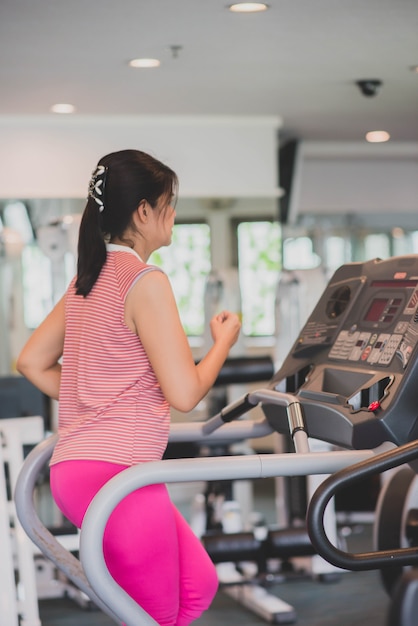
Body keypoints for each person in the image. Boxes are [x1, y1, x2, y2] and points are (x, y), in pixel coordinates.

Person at [16, 149, 241, 625]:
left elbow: (31, 362)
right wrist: (222, 342)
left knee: (197, 587)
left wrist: (95, 397)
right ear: (144, 211)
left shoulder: (88, 279)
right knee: (153, 614)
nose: (174, 216)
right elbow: (184, 394)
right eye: (169, 204)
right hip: (114, 474)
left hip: (78, 470)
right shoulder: (145, 280)